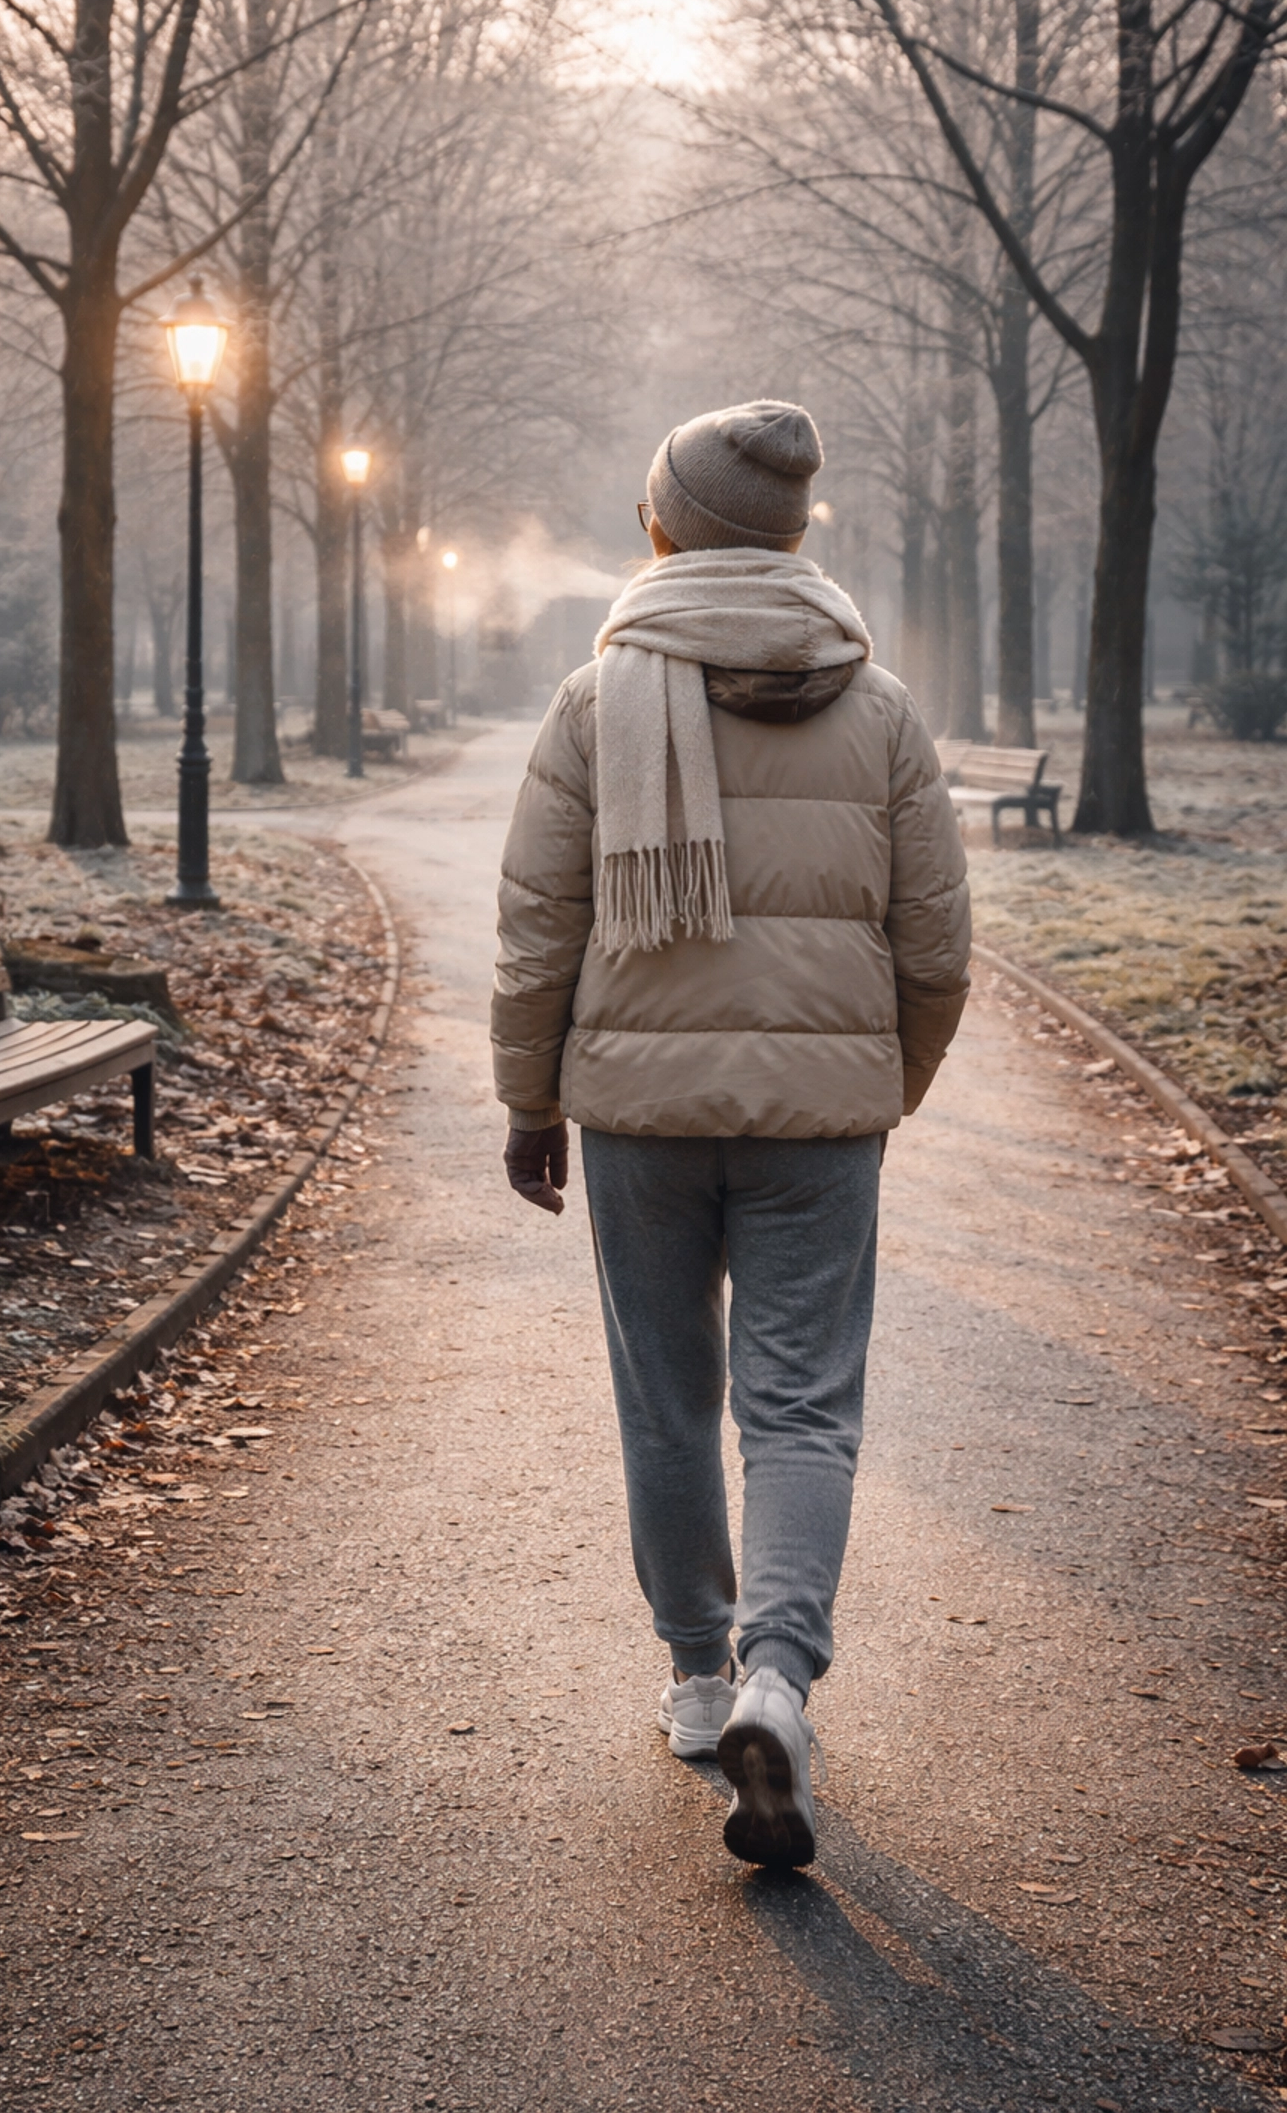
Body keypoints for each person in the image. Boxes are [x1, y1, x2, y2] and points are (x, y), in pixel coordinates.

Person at [490, 399, 971, 1868]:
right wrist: (881, 1087)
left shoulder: (597, 701)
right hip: (817, 1130)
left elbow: (537, 930)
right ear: (791, 533)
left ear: (667, 528)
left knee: (667, 1399)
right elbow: (937, 946)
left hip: (639, 1120)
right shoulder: (881, 710)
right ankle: (779, 1679)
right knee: (803, 1408)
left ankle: (701, 1679)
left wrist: (529, 1100)